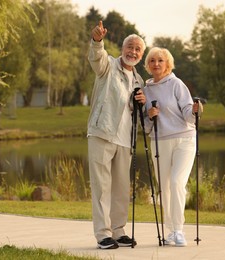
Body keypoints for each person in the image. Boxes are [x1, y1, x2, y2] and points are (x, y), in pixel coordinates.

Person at [87, 20, 146, 250]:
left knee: (121, 188)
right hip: (102, 134)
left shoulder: (139, 81)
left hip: (125, 140)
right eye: (129, 47)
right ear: (122, 49)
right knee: (101, 187)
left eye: (137, 49)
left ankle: (119, 230)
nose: (132, 51)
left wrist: (142, 101)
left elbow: (137, 112)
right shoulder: (109, 66)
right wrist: (97, 41)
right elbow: (96, 58)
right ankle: (103, 234)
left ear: (141, 55)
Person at [143, 47, 203, 247]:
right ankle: (170, 230)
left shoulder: (176, 84)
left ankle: (178, 230)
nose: (156, 64)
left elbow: (188, 113)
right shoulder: (145, 90)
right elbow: (146, 126)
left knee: (177, 182)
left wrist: (195, 111)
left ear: (168, 64)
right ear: (148, 65)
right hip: (159, 141)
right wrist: (150, 116)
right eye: (152, 60)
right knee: (165, 187)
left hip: (184, 139)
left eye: (160, 60)